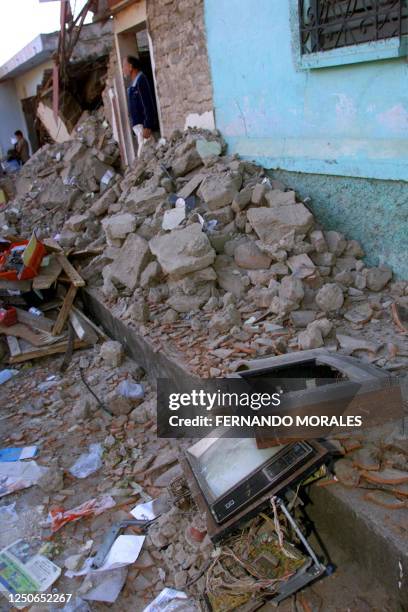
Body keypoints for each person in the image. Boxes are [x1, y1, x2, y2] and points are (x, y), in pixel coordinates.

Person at [122, 55, 159, 156]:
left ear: (130, 67)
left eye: (124, 66)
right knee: (147, 157)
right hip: (139, 129)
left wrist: (147, 125)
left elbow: (148, 103)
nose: (123, 69)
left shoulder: (141, 80)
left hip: (144, 128)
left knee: (143, 157)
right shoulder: (133, 84)